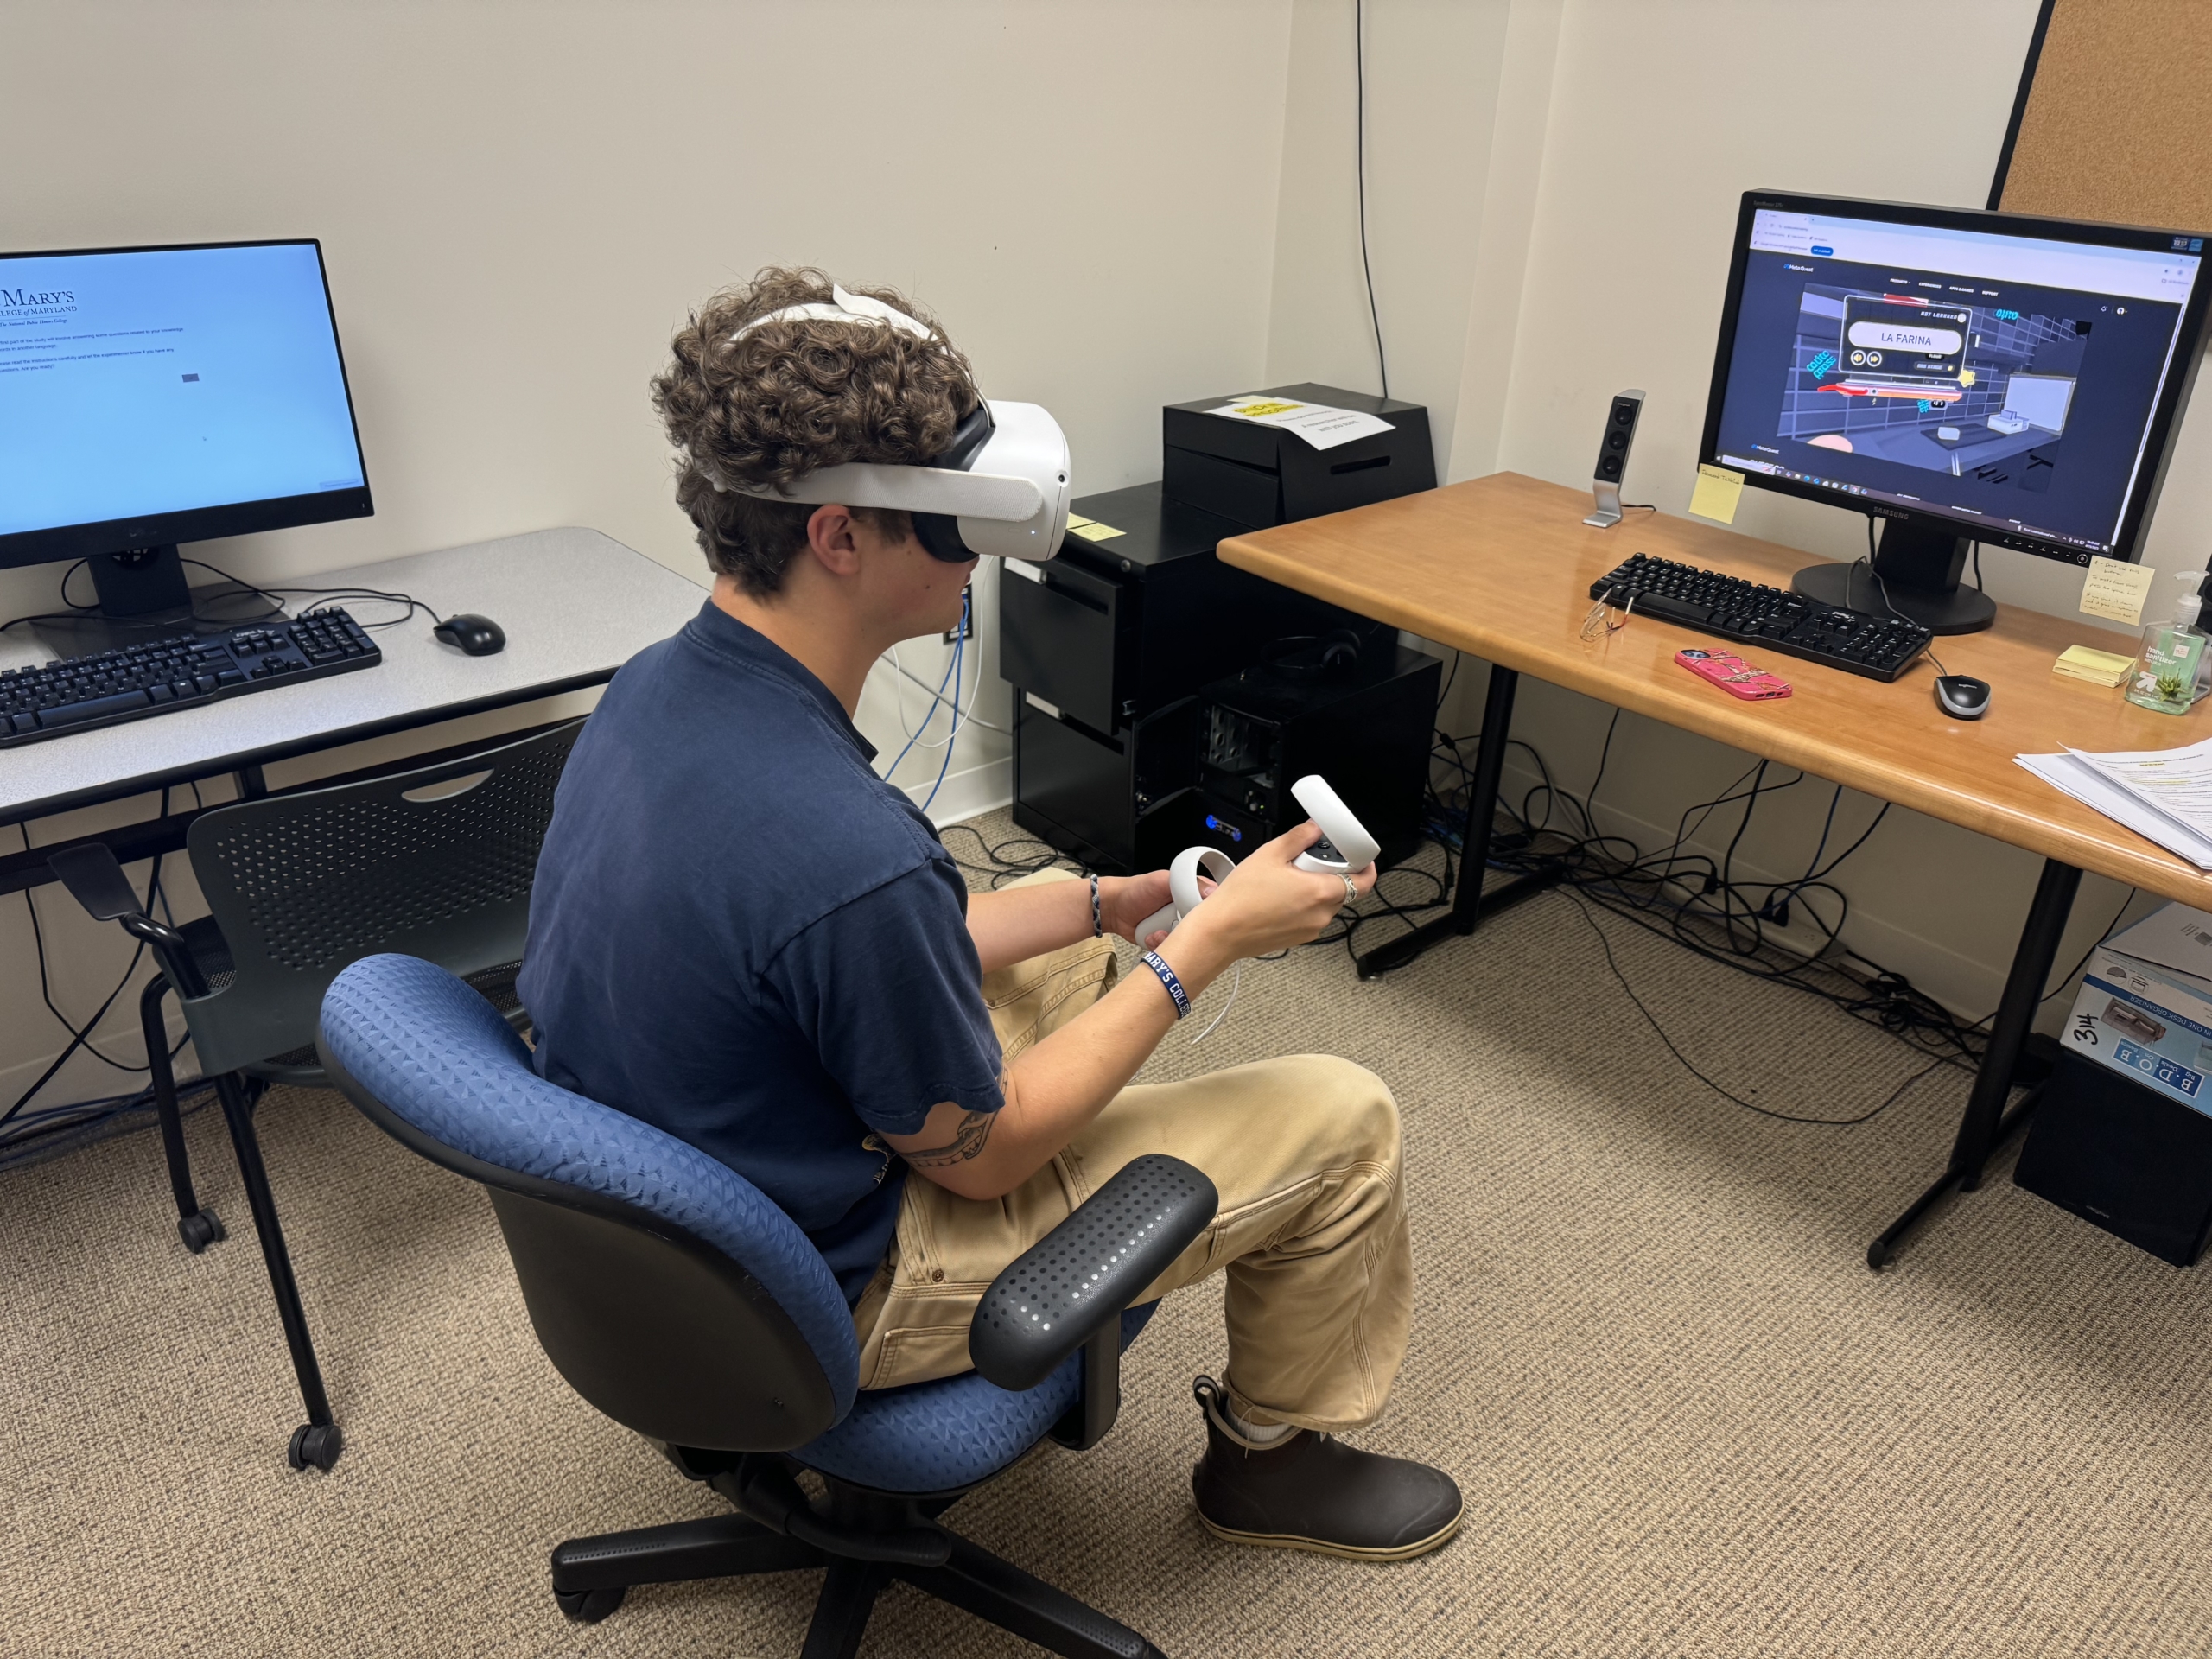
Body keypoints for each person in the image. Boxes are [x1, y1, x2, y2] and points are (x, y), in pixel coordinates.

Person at [518, 268, 1461, 1560]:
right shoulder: (846, 854)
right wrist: (1202, 948)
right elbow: (983, 1155)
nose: (978, 561)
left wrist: (1112, 906)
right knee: (1347, 1115)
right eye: (954, 530)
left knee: (1071, 956)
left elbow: (849, 949)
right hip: (828, 1290)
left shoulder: (652, 694)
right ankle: (1267, 1463)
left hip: (686, 1215)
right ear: (840, 537)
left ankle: (1112, 929)